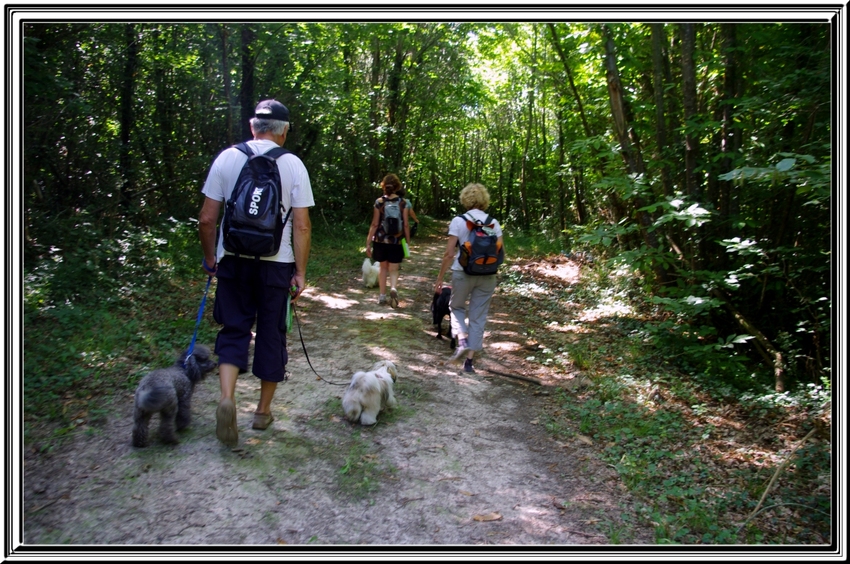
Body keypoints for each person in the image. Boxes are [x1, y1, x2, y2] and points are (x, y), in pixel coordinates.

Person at [198, 99, 314, 447]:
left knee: (234, 329)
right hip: (276, 265)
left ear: (253, 127)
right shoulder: (293, 165)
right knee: (270, 334)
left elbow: (206, 218)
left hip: (232, 260)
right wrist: (301, 273)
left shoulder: (227, 157)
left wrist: (210, 259)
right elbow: (303, 227)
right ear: (284, 131)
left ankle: (227, 398)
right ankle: (262, 412)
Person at [433, 183, 504, 374]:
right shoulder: (493, 222)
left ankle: (462, 339)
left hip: (463, 273)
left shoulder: (458, 221)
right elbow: (500, 252)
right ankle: (469, 362)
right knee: (478, 316)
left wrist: (440, 277)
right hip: (488, 274)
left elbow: (449, 254)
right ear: (484, 200)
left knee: (456, 307)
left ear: (465, 199)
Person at [365, 173, 411, 308]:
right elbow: (406, 225)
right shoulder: (404, 203)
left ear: (384, 186)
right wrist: (407, 242)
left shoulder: (379, 202)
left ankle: (382, 296)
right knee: (394, 268)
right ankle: (393, 288)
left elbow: (374, 224)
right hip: (397, 241)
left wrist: (368, 242)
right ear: (397, 187)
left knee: (383, 268)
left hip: (380, 241)